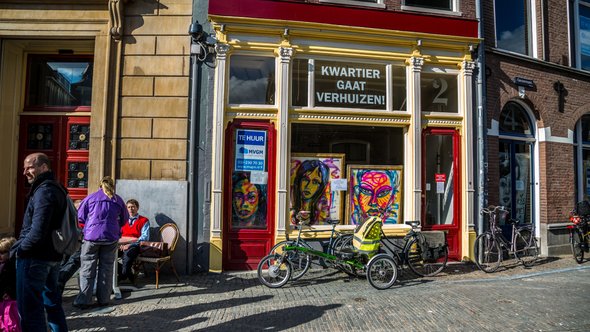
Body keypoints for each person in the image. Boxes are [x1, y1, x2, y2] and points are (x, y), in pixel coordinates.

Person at [10, 152, 68, 331]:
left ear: (43, 167)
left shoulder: (44, 191)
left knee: (30, 312)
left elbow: (37, 232)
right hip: (52, 257)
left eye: (30, 167)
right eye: (24, 168)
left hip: (35, 259)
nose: (25, 172)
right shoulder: (56, 188)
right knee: (52, 305)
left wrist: (19, 250)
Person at [74, 176, 127, 309]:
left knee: (87, 268)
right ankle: (103, 299)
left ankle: (84, 300)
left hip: (92, 237)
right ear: (112, 186)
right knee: (107, 269)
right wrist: (115, 227)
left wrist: (88, 227)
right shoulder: (117, 200)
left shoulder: (91, 198)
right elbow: (125, 219)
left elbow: (80, 217)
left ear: (100, 185)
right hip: (110, 237)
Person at [118, 199, 150, 283]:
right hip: (120, 245)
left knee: (128, 255)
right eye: (128, 207)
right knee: (107, 254)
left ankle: (124, 275)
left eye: (133, 207)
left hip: (136, 246)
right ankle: (126, 274)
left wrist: (130, 244)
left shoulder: (144, 220)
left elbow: (145, 237)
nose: (131, 209)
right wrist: (121, 244)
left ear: (137, 208)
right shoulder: (122, 220)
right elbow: (118, 234)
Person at [291, 159, 329, 225]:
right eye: (305, 179)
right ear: (299, 181)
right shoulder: (290, 211)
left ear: (320, 187)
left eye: (315, 182)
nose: (308, 186)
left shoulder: (322, 213)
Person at [57, 200, 82, 294]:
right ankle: (57, 288)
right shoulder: (67, 217)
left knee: (73, 263)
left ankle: (58, 284)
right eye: (78, 208)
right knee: (62, 264)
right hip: (66, 245)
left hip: (79, 244)